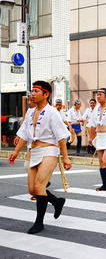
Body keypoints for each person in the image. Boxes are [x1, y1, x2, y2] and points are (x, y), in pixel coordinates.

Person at [9, 81, 72, 234]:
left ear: (46, 94)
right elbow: (24, 134)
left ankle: (39, 222)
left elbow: (61, 137)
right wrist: (16, 151)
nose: (33, 93)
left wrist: (65, 157)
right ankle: (57, 202)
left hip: (49, 150)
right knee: (32, 190)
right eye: (33, 90)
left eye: (37, 91)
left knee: (39, 186)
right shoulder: (30, 112)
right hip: (34, 150)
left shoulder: (52, 112)